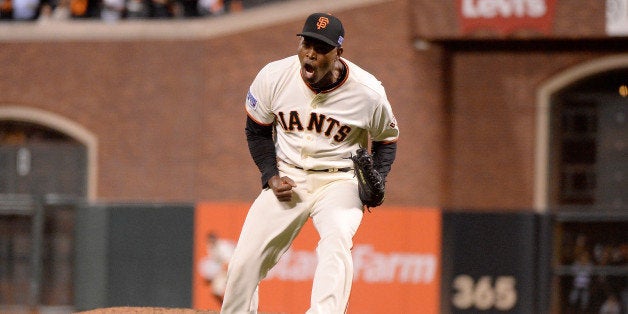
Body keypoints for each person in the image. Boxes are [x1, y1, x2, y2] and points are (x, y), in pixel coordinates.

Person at [220, 12, 399, 313]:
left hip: (339, 181)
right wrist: (270, 175)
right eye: (307, 43)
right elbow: (257, 130)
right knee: (244, 261)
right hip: (289, 177)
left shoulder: (368, 93)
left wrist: (380, 177)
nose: (311, 53)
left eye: (321, 47)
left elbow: (387, 139)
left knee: (337, 239)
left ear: (338, 53)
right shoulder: (274, 77)